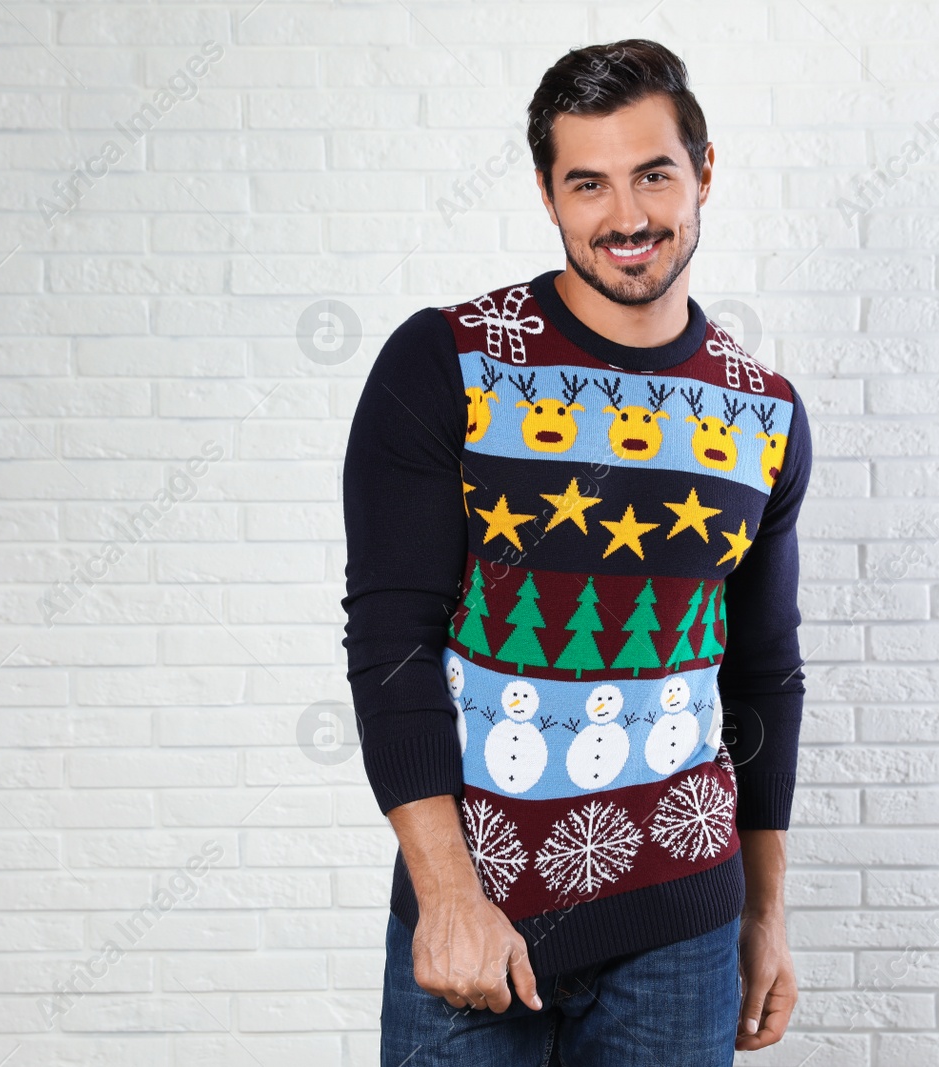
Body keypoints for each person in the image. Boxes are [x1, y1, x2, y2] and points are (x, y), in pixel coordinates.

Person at [340, 37, 813, 1067]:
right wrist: (447, 897)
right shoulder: (450, 360)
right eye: (587, 183)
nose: (628, 216)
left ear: (704, 172)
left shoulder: (763, 412)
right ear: (549, 195)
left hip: (684, 927)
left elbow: (762, 677)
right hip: (479, 920)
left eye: (653, 174)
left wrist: (765, 913)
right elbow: (392, 642)